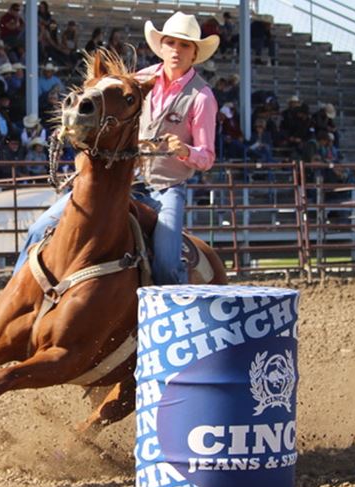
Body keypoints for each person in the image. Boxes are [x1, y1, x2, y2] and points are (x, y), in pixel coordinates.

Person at [15, 11, 218, 286]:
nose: (176, 50)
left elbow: (206, 157)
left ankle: (168, 317)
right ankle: (15, 296)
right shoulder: (138, 82)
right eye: (171, 43)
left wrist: (185, 150)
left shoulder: (202, 97)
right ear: (162, 46)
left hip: (167, 189)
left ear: (194, 53)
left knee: (167, 265)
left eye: (184, 45)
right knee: (39, 229)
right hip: (119, 180)